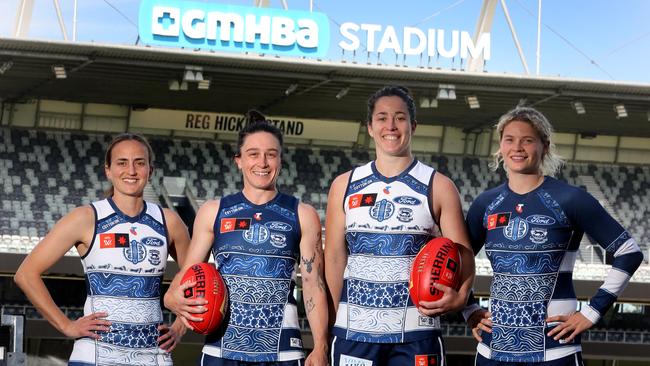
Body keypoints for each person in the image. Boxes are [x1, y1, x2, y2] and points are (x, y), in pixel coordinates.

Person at [464, 107, 644, 365]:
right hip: (492, 350)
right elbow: (459, 261)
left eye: (527, 140)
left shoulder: (571, 199)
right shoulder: (486, 203)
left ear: (544, 146)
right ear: (501, 145)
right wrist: (469, 309)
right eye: (510, 139)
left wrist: (592, 312)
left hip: (555, 350)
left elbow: (629, 253)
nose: (518, 147)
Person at [324, 85, 475, 366]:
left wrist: (461, 295)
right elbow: (333, 257)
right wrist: (331, 325)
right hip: (354, 332)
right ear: (370, 127)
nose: (390, 126)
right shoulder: (344, 185)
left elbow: (463, 252)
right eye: (382, 118)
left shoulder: (438, 186)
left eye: (400, 117)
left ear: (413, 125)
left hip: (417, 333)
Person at [14, 133, 191, 365]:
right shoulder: (85, 218)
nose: (131, 170)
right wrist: (66, 325)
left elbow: (199, 281)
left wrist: (180, 326)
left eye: (140, 162)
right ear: (108, 170)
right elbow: (26, 274)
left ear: (151, 170)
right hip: (96, 353)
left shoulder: (170, 222)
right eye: (122, 163)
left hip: (153, 354)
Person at [164, 119, 328, 366]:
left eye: (270, 155)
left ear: (280, 161)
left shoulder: (302, 214)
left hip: (282, 351)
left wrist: (320, 346)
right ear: (238, 160)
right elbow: (188, 277)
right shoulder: (213, 212)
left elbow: (313, 285)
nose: (262, 163)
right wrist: (175, 316)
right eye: (253, 154)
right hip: (221, 349)